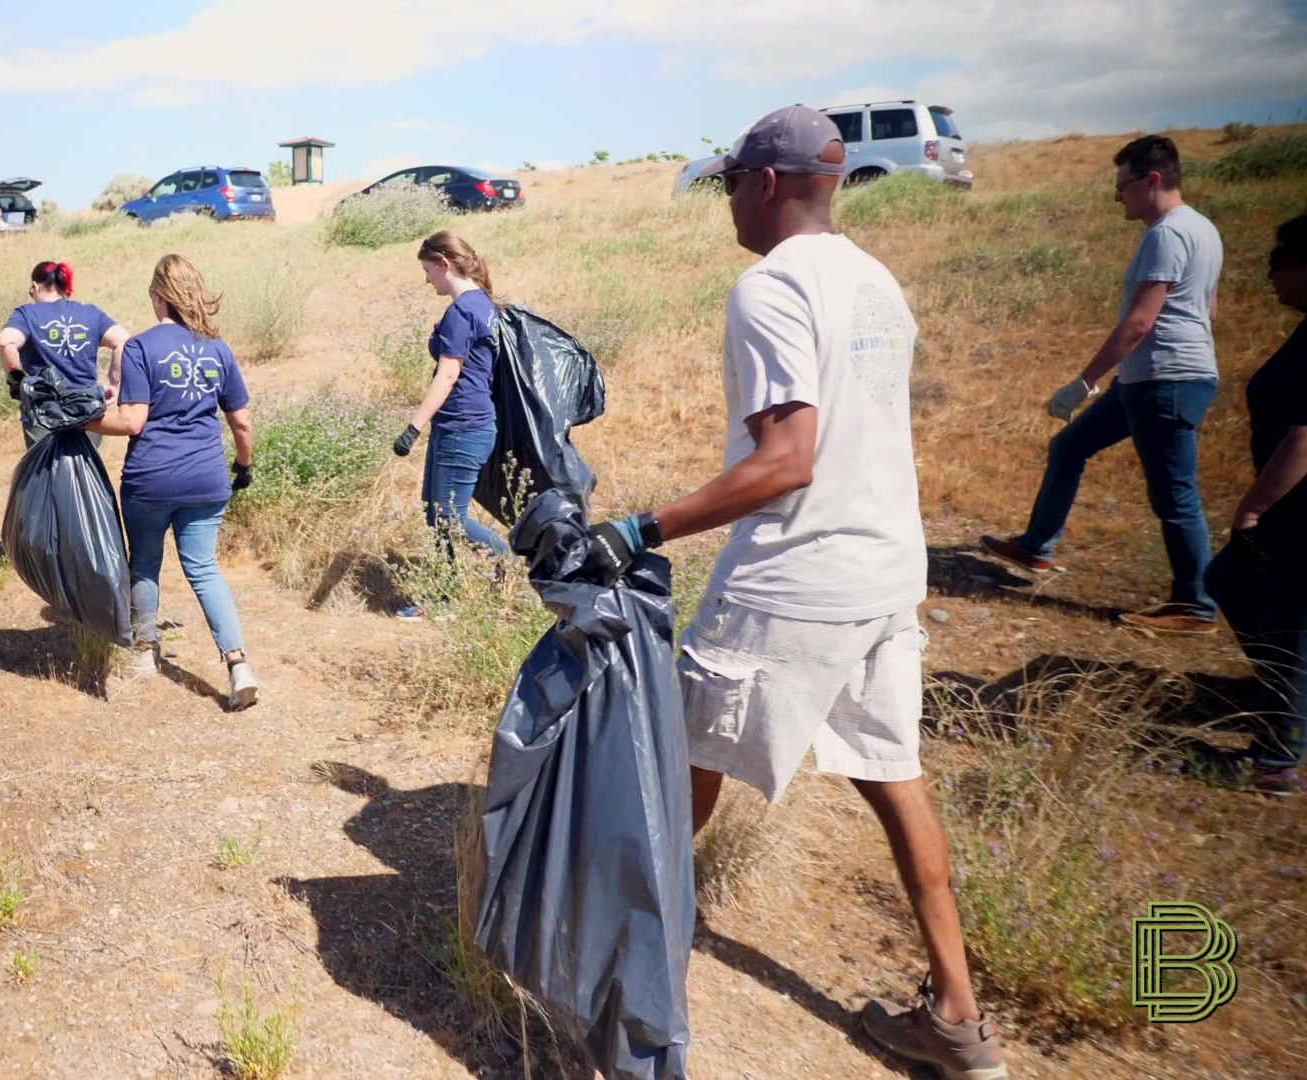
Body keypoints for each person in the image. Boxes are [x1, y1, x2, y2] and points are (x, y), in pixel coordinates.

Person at [582, 106, 1008, 1080]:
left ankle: (617, 991)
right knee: (893, 774)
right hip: (886, 570)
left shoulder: (769, 287)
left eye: (731, 180)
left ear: (767, 184)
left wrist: (640, 528)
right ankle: (957, 1014)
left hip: (794, 577)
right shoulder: (875, 282)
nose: (727, 199)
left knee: (673, 776)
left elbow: (786, 461)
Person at [981, 135, 1224, 634]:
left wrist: (1084, 383)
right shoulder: (1205, 230)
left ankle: (1195, 605)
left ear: (1153, 180)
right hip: (1156, 378)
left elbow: (1139, 322)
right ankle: (1035, 547)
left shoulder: (1167, 234)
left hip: (1163, 380)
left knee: (1174, 495)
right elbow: (1209, 310)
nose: (1119, 197)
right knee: (1069, 446)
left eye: (1124, 185)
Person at [88, 254, 258, 710]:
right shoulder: (218, 349)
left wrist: (83, 422)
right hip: (206, 478)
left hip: (151, 480)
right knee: (203, 568)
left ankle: (144, 654)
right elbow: (241, 422)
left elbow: (132, 421)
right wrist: (243, 468)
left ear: (159, 296)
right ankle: (238, 664)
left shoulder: (140, 347)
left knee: (144, 562)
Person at [1198, 214, 1307, 796]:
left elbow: (1304, 438)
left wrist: (1254, 508)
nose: (1269, 277)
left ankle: (1277, 761)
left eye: (1276, 265)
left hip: (1294, 510)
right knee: (1234, 582)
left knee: (1287, 622)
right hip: (1290, 508)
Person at [390, 230, 509, 619]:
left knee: (449, 519)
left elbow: (448, 376)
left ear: (444, 264)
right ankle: (443, 597)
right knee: (435, 512)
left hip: (463, 427)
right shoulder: (484, 304)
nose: (427, 280)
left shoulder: (462, 311)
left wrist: (413, 427)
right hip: (463, 426)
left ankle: (509, 559)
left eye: (428, 270)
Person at [0, 260, 130, 447]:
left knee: (45, 473)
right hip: (87, 409)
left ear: (35, 287)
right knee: (86, 472)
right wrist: (114, 383)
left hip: (43, 412)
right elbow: (122, 340)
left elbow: (5, 341)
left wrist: (17, 381)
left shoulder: (27, 314)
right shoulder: (90, 313)